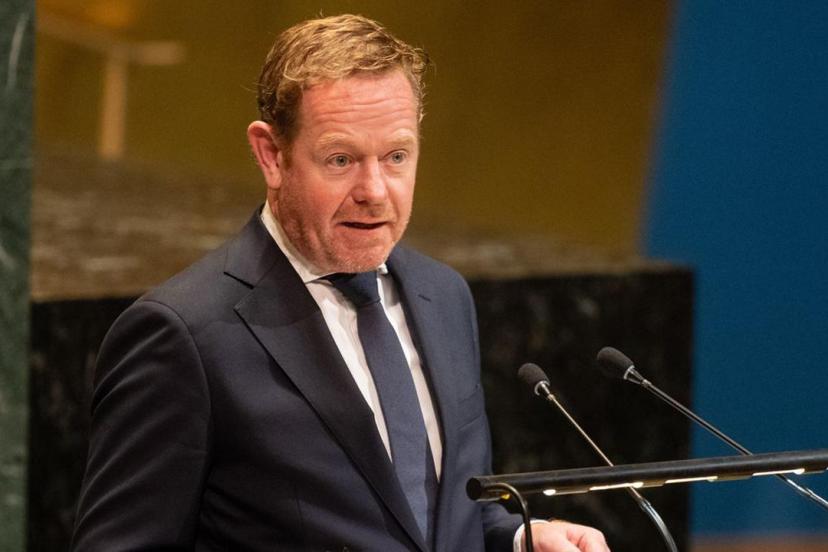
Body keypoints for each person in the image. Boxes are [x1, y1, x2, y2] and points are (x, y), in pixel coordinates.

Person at [71, 14, 609, 552]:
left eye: (396, 156)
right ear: (271, 155)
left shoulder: (444, 296)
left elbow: (443, 517)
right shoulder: (185, 334)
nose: (374, 190)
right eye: (341, 159)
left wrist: (518, 538)